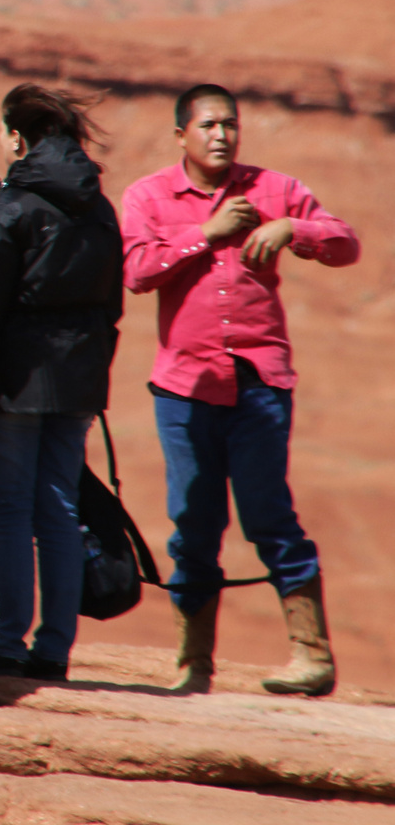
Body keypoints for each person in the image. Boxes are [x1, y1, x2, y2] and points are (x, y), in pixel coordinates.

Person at [121, 84, 358, 696]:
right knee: (193, 523)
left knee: (269, 515)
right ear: (182, 135)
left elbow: (345, 244)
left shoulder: (275, 189)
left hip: (259, 383)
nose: (221, 135)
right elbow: (138, 272)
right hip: (185, 388)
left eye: (230, 124)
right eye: (208, 125)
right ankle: (193, 663)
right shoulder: (148, 195)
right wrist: (207, 232)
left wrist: (291, 229)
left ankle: (312, 655)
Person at [0, 84, 123, 684]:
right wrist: (93, 376)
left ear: (18, 138)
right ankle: (54, 649)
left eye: (3, 133)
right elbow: (111, 306)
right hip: (77, 385)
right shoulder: (100, 208)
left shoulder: (14, 207)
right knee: (60, 508)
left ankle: (7, 643)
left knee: (10, 512)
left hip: (12, 385)